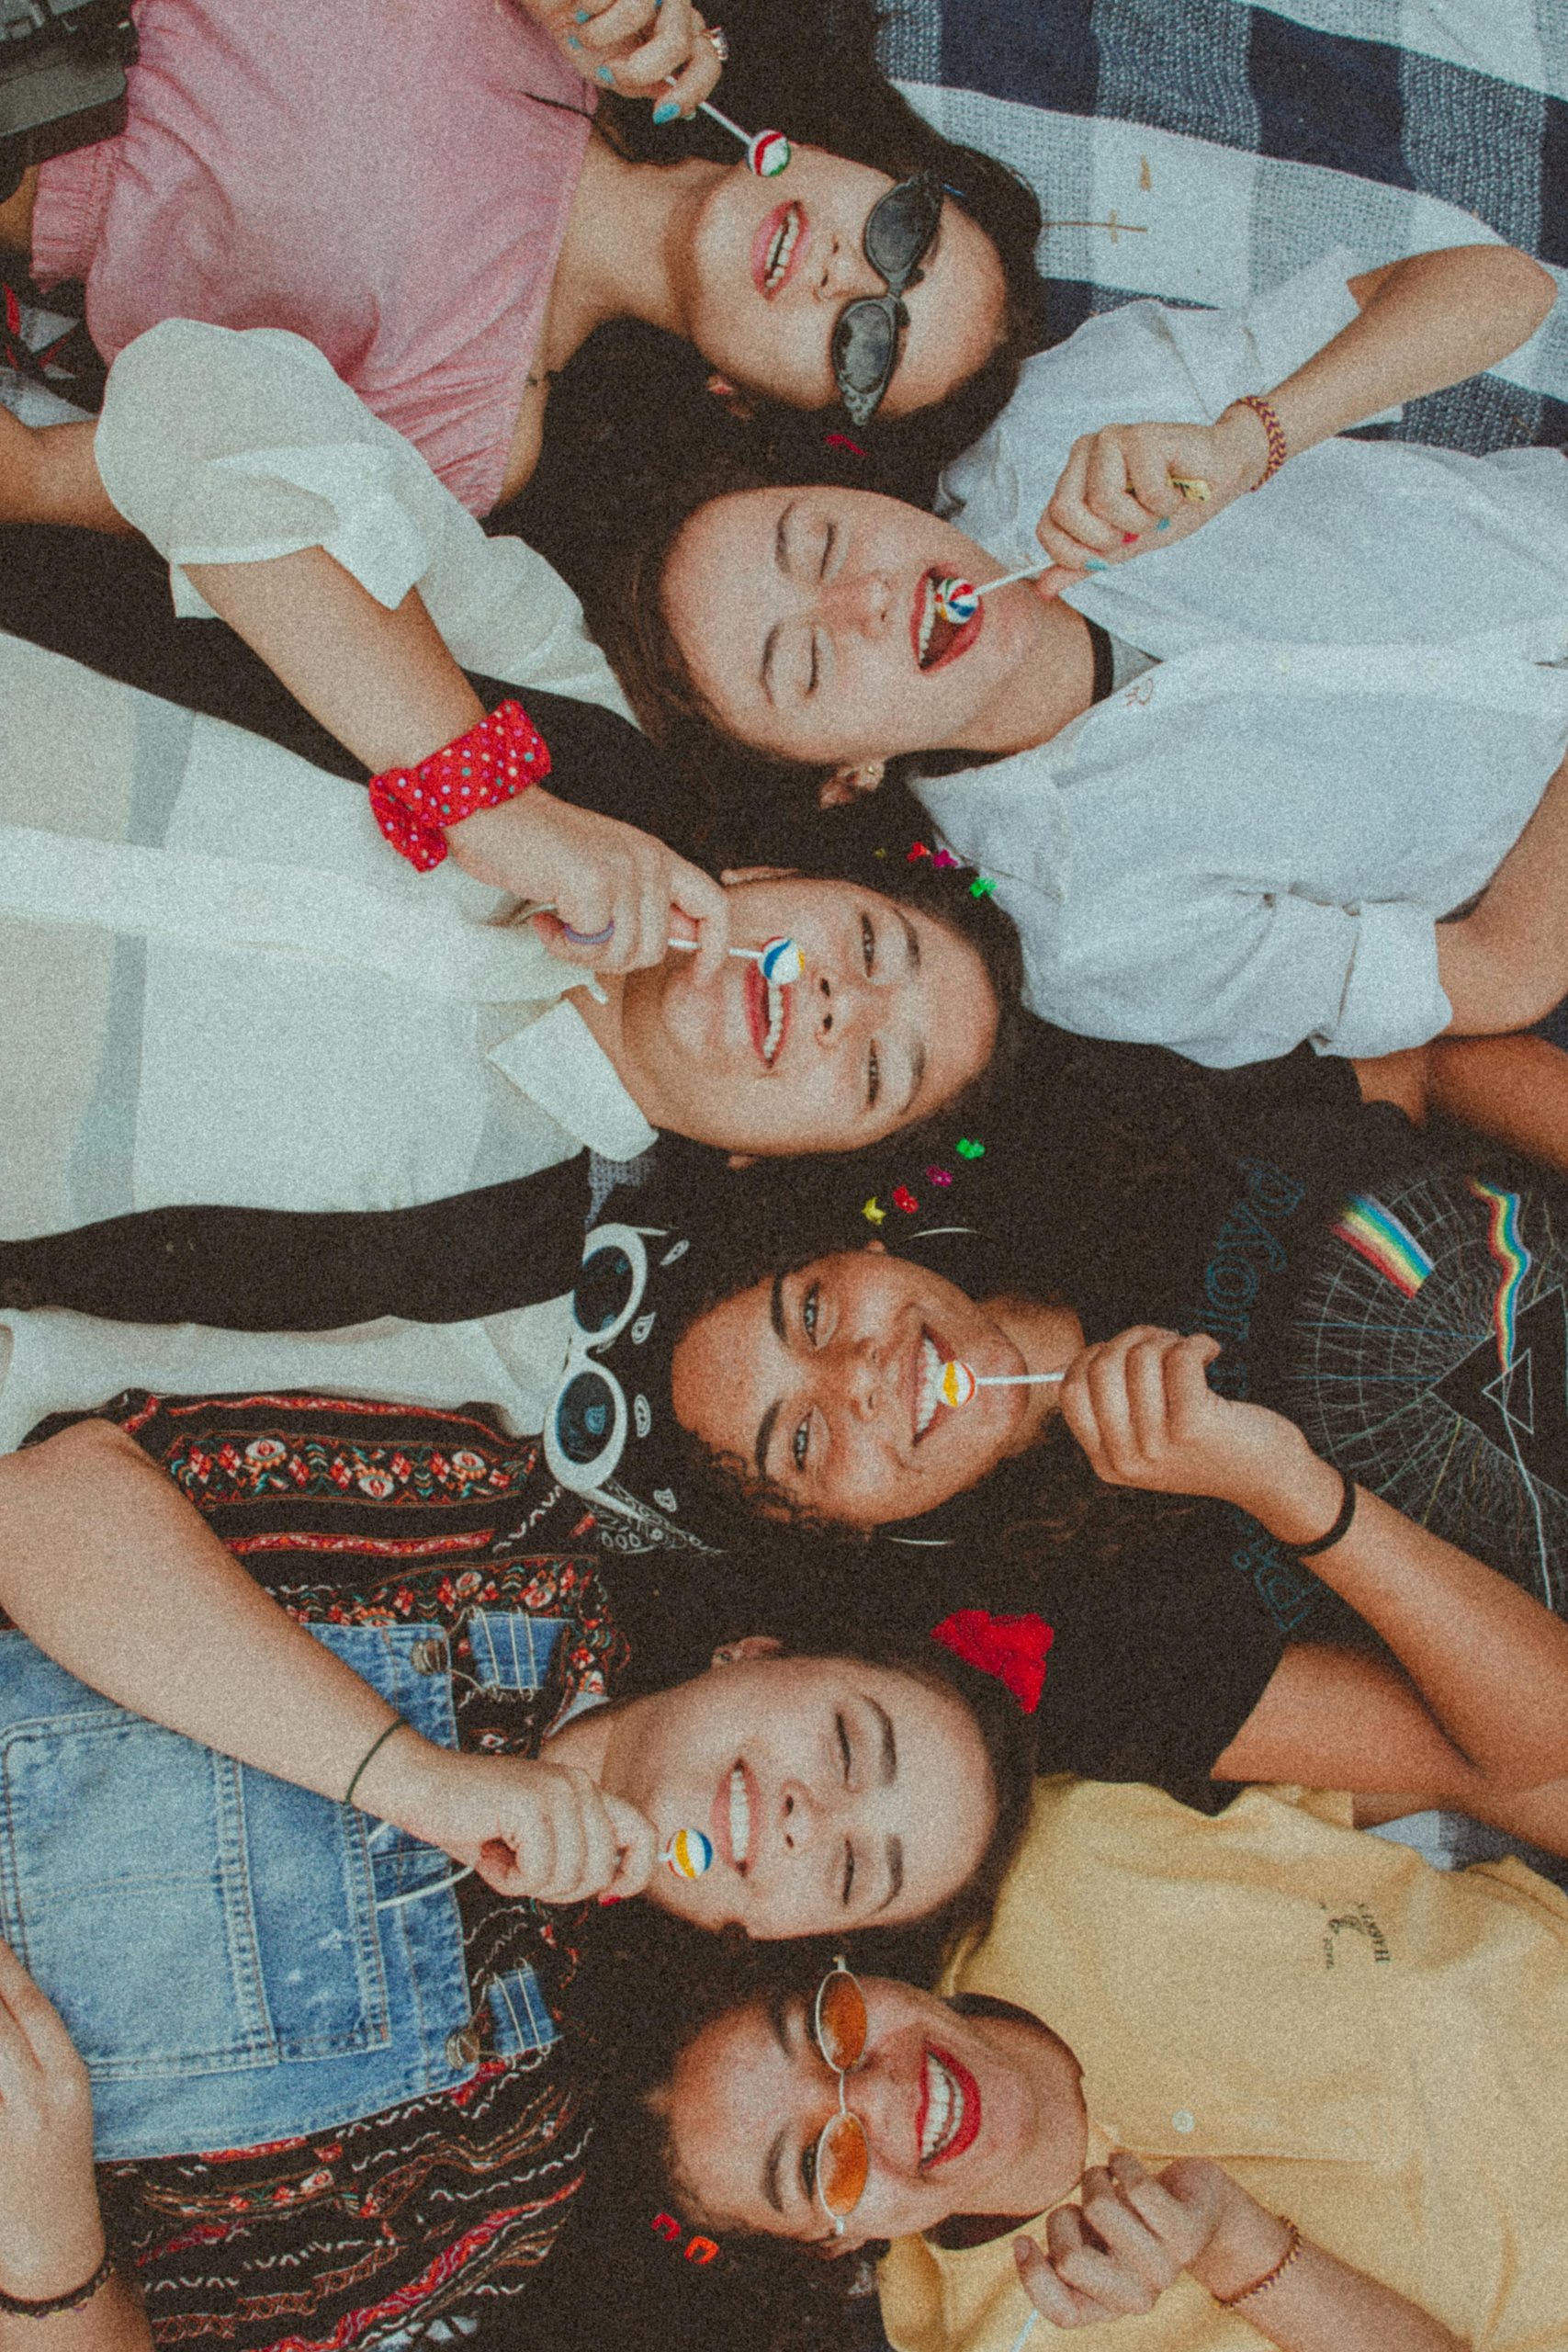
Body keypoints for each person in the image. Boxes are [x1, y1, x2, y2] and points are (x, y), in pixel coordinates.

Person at [0, 1381, 1034, 2346]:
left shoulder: (509, 2153)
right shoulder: (508, 1528)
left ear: (787, 1939)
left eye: (854, 1871)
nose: (814, 1817)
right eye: (849, 1744)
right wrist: (411, 1776)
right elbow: (36, 1506)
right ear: (758, 1652)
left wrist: (44, 2235)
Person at [595, 242, 1568, 1068]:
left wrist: (1249, 443)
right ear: (846, 777)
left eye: (822, 543)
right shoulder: (1092, 939)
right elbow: (1498, 970)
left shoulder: (1063, 418)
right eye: (805, 667)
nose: (865, 601)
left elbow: (1510, 287)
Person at [638, 1018, 1568, 1840]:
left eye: (812, 1314)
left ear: (855, 1247)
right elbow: (1534, 1740)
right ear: (841, 1530)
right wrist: (1292, 1496)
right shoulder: (1080, 1649)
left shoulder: (1069, 1124)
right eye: (802, 1442)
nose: (860, 1378)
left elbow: (1434, 1070)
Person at [634, 1772, 1568, 2350]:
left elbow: (1469, 1767)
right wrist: (1238, 2249)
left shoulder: (1064, 1842)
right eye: (814, 2163)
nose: (878, 2095)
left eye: (826, 2026)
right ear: (832, 2243)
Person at [0, 0, 1044, 514]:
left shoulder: (472, 443)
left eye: (868, 347)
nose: (849, 280)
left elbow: (63, 480)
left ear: (747, 400)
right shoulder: (599, 21)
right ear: (860, 159)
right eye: (902, 236)